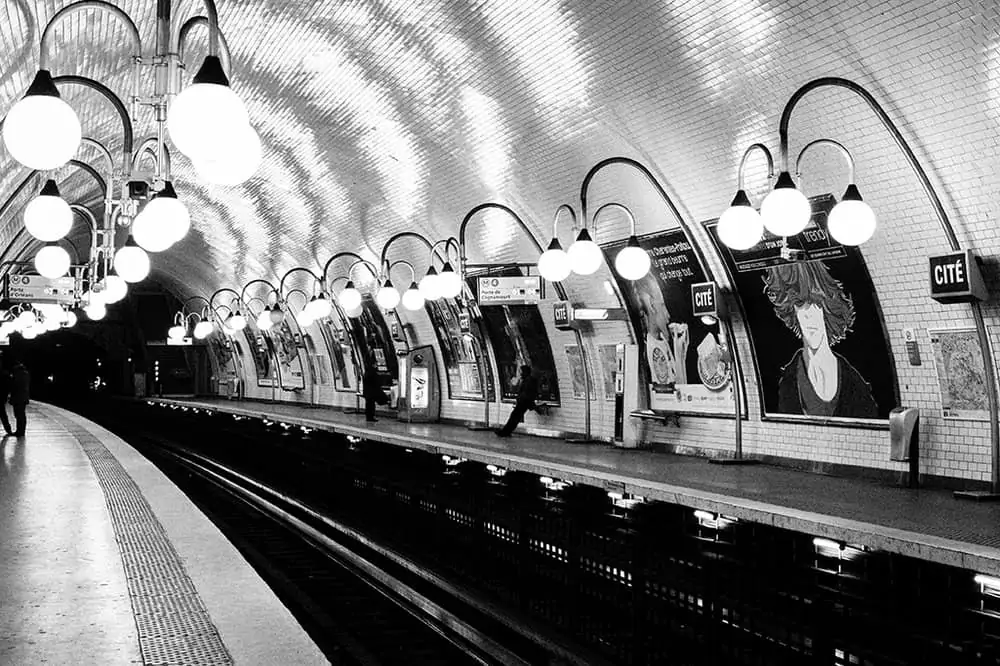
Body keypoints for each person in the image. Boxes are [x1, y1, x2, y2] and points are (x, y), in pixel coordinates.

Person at [763, 262, 877, 418]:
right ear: (792, 310)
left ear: (827, 306)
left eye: (815, 304)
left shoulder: (855, 386)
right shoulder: (787, 382)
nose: (808, 315)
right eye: (799, 304)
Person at [496, 365, 538, 437]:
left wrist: (522, 400)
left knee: (514, 417)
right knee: (515, 417)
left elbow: (526, 393)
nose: (520, 373)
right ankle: (506, 431)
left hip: (523, 402)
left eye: (521, 372)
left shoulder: (528, 381)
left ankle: (505, 432)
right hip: (523, 402)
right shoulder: (528, 380)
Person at [9, 360, 30, 437]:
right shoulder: (26, 374)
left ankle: (19, 431)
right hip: (23, 398)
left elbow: (15, 386)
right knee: (21, 414)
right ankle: (21, 431)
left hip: (18, 398)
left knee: (19, 414)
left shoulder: (18, 375)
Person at [0, 359, 12, 436]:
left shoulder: (4, 374)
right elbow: (8, 386)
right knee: (3, 414)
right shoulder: (5, 374)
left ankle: (8, 429)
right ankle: (8, 430)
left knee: (3, 414)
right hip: (1, 397)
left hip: (1, 397)